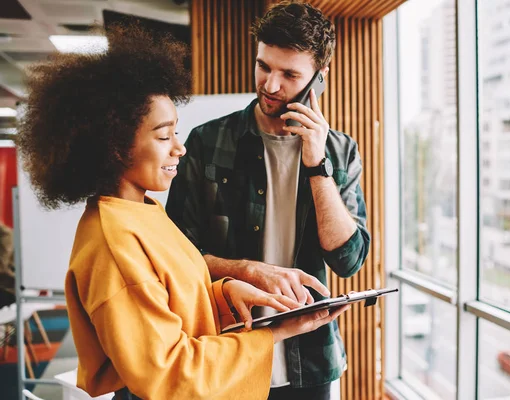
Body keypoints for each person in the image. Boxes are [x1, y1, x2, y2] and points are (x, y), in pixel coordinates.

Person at [15, 24, 349, 400]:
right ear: (115, 147)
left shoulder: (143, 211)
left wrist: (225, 294)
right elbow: (171, 372)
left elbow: (172, 301)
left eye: (176, 133)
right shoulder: (112, 245)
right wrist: (273, 333)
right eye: (163, 136)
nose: (179, 149)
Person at [166, 2, 370, 398]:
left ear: (319, 79)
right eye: (263, 66)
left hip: (309, 361)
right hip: (225, 350)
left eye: (290, 74)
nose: (270, 85)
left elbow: (348, 260)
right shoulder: (207, 143)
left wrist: (317, 163)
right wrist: (248, 270)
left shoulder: (340, 151)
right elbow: (175, 257)